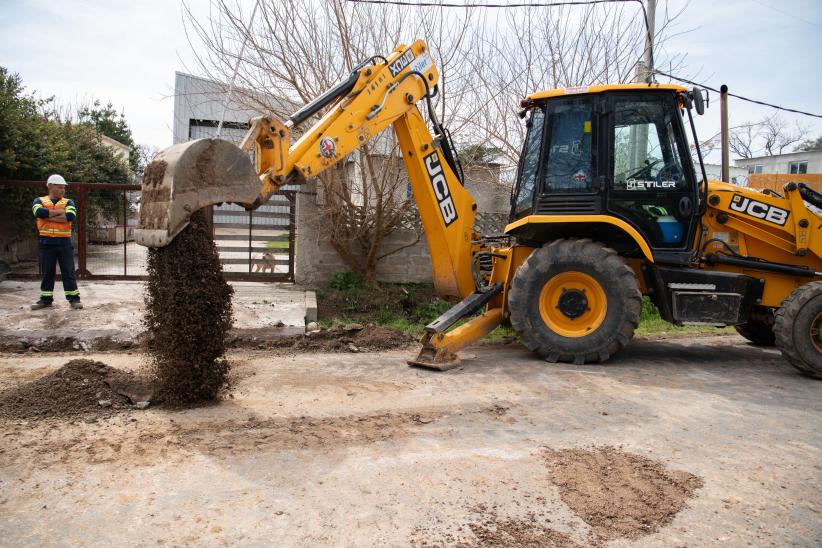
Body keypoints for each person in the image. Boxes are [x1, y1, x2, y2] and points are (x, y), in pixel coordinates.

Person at [30, 174, 83, 310]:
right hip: (46, 242)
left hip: (64, 242)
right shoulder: (39, 200)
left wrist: (48, 217)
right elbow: (38, 213)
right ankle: (46, 299)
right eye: (60, 187)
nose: (63, 190)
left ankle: (74, 299)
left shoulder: (68, 202)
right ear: (50, 187)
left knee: (68, 271)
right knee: (47, 272)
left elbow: (70, 216)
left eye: (64, 188)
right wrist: (60, 213)